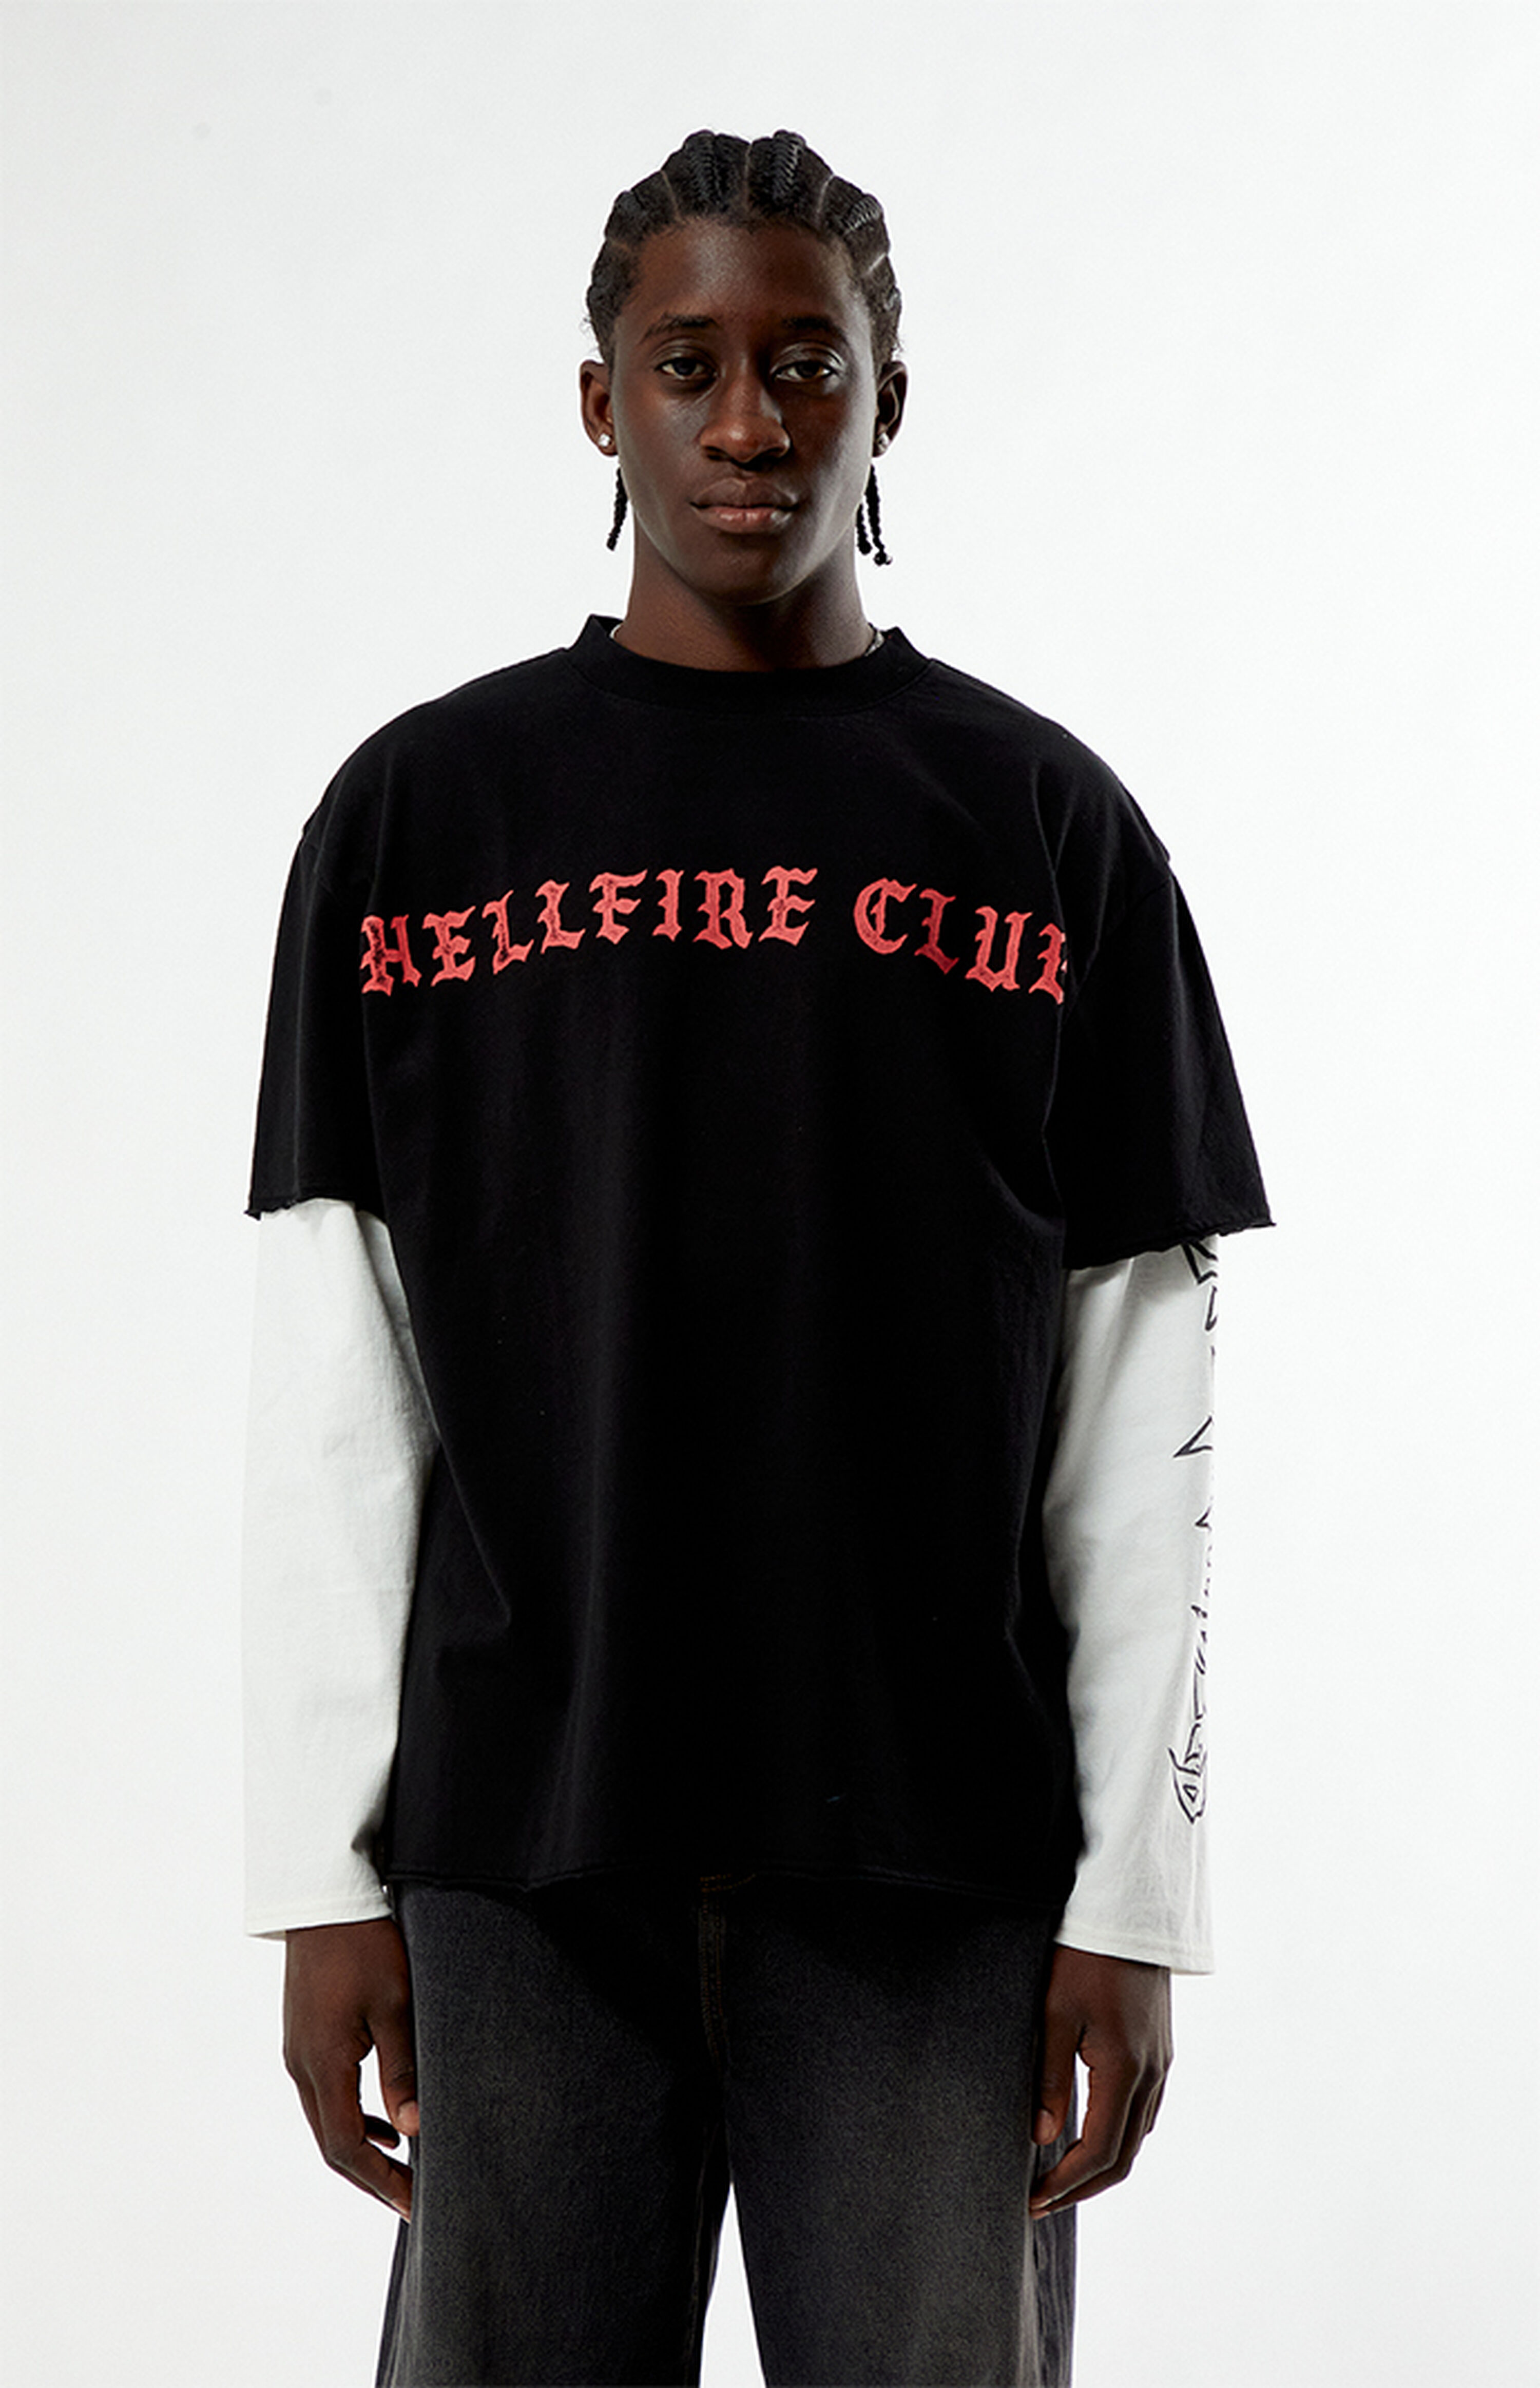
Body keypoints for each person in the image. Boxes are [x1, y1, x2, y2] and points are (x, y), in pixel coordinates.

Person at [243, 129, 1270, 2388]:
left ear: (890, 399)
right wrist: (320, 1876)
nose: (747, 420)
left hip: (935, 1855)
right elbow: (336, 1384)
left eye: (809, 362)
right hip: (524, 1843)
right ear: (596, 401)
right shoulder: (418, 823)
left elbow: (1139, 1404)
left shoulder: (1049, 833)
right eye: (686, 361)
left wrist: (1134, 1901)